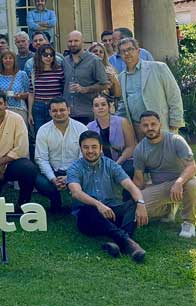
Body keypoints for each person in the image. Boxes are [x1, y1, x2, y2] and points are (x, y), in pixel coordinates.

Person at [67, 131, 148, 262]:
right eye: (86, 147)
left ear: (100, 148)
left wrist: (141, 203)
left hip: (112, 212)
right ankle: (129, 243)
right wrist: (98, 204)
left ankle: (116, 244)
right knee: (88, 209)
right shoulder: (74, 168)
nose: (90, 151)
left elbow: (131, 186)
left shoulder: (111, 165)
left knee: (133, 204)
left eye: (94, 147)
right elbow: (76, 192)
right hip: (89, 218)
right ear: (81, 149)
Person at [133, 111, 196, 239]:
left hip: (181, 184)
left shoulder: (176, 140)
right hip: (160, 187)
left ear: (160, 124)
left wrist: (179, 183)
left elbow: (192, 167)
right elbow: (138, 180)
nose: (150, 128)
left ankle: (188, 222)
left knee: (193, 184)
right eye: (145, 125)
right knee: (138, 210)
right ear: (141, 127)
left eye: (153, 124)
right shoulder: (139, 150)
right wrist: (138, 199)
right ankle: (168, 209)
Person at [117, 37, 184, 139]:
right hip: (137, 128)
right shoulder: (121, 77)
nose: (127, 53)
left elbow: (174, 94)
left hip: (161, 125)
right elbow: (123, 104)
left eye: (130, 49)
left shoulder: (158, 68)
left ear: (138, 51)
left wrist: (176, 121)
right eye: (123, 51)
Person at [34, 97, 87, 212]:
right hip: (54, 171)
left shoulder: (81, 129)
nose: (58, 113)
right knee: (39, 181)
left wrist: (70, 177)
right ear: (49, 112)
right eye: (54, 111)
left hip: (76, 171)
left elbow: (84, 158)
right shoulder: (43, 130)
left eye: (62, 110)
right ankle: (55, 200)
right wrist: (53, 179)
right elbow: (41, 159)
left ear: (69, 110)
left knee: (87, 177)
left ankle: (78, 203)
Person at [63, 31, 110, 125]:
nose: (73, 44)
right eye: (70, 41)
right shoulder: (65, 61)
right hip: (68, 112)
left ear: (82, 41)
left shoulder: (94, 60)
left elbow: (105, 84)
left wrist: (85, 89)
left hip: (87, 111)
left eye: (76, 41)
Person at [86, 94, 136, 177]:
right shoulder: (89, 127)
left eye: (103, 104)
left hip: (123, 160)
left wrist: (117, 164)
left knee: (129, 169)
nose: (100, 108)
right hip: (100, 164)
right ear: (93, 109)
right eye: (96, 105)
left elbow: (131, 147)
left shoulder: (122, 122)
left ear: (109, 107)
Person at [28, 44, 65, 131]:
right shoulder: (34, 72)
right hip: (38, 106)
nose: (48, 57)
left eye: (51, 55)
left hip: (55, 106)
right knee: (40, 131)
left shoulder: (59, 71)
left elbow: (63, 90)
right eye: (45, 55)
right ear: (40, 56)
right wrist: (30, 113)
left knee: (55, 130)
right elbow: (31, 93)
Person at [0, 50, 31, 124]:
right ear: (2, 61)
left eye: (10, 58)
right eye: (5, 58)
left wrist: (20, 95)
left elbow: (29, 93)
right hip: (2, 110)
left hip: (19, 109)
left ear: (14, 60)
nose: (8, 60)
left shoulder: (22, 74)